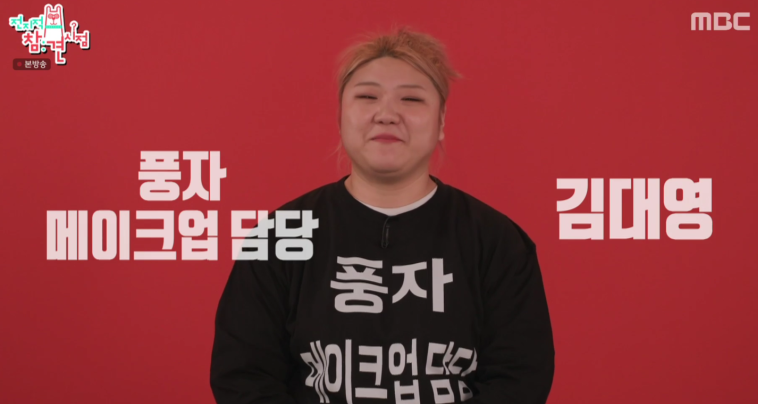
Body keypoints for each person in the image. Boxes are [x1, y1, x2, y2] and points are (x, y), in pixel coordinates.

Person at [210, 26, 555, 403]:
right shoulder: (283, 235)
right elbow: (244, 377)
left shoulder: (495, 241)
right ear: (340, 117)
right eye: (367, 96)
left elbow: (519, 378)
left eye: (411, 99)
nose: (387, 114)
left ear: (441, 121)